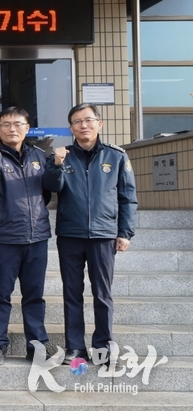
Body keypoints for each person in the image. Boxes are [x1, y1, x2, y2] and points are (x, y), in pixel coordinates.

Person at [43, 103, 137, 365]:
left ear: (99, 123)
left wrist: (125, 232)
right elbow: (51, 187)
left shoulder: (116, 156)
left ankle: (103, 347)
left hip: (103, 234)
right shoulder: (62, 156)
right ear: (71, 127)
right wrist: (57, 164)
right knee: (71, 293)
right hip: (70, 233)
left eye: (88, 120)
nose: (83, 125)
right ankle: (75, 347)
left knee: (102, 293)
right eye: (77, 121)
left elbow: (127, 197)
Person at [0, 106, 52, 365]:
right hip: (3, 237)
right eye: (5, 124)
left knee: (34, 295)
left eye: (18, 124)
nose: (12, 129)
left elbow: (46, 193)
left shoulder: (39, 155)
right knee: (0, 295)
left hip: (36, 236)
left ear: (27, 128)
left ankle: (36, 346)